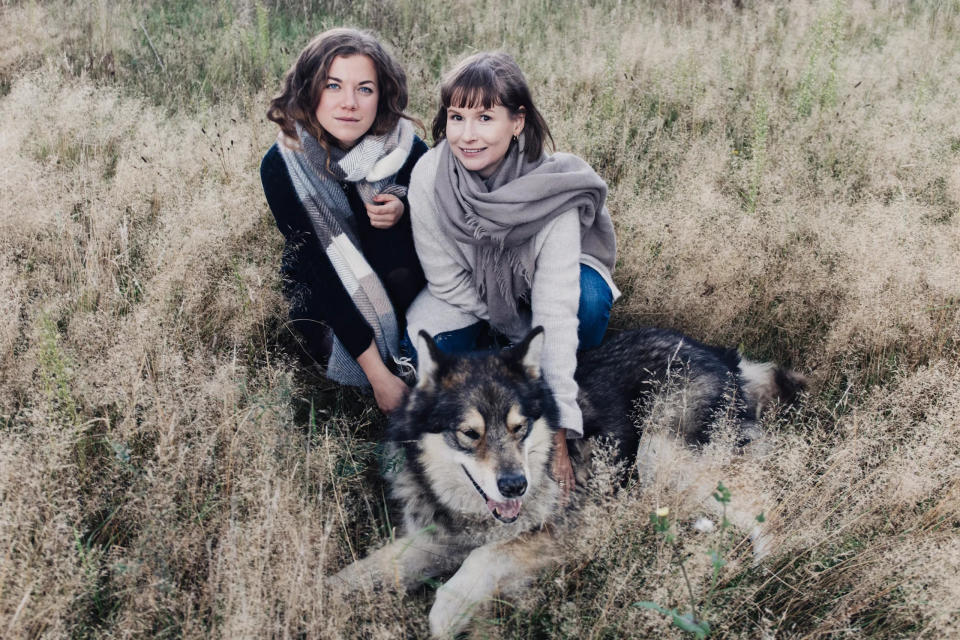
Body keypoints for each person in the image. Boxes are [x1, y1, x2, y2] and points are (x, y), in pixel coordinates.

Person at [406, 52, 620, 494]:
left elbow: (555, 311)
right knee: (430, 335)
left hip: (543, 286)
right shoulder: (429, 176)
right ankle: (497, 360)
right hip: (473, 293)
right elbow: (445, 280)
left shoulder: (549, 192)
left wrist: (559, 427)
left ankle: (573, 377)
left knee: (588, 302)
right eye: (456, 116)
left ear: (517, 121)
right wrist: (511, 332)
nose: (466, 135)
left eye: (485, 117)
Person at [261, 28, 428, 413]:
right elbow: (321, 270)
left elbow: (438, 219)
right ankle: (385, 362)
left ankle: (410, 347)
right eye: (333, 86)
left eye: (365, 89)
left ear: (382, 96)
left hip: (398, 280)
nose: (349, 103)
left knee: (392, 241)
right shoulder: (281, 165)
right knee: (318, 338)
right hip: (325, 295)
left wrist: (404, 207)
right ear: (308, 91)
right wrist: (379, 378)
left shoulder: (406, 148)